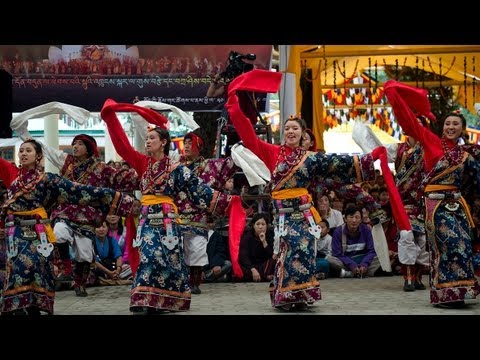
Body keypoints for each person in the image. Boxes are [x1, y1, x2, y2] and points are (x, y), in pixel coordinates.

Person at [224, 69, 411, 310]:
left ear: (302, 135)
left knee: (301, 254)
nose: (290, 131)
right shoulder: (272, 153)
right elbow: (248, 136)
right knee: (285, 254)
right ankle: (285, 296)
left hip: (302, 215)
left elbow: (339, 162)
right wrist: (234, 106)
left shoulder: (311, 158)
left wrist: (370, 158)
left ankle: (300, 296)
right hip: (282, 216)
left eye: (295, 129)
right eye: (287, 128)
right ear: (283, 133)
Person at [100, 99, 241, 313]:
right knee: (147, 256)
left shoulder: (177, 168)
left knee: (167, 259)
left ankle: (166, 300)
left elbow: (199, 189)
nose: (147, 142)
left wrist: (230, 203)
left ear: (163, 142)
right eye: (146, 138)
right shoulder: (142, 163)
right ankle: (145, 298)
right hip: (147, 220)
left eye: (152, 138)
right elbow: (122, 146)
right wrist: (111, 120)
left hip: (167, 221)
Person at [0, 139, 135, 315]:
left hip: (40, 232)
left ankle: (44, 300)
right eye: (22, 151)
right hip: (16, 233)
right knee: (18, 270)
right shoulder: (15, 180)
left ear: (38, 156)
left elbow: (79, 190)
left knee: (42, 269)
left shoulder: (48, 179)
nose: (24, 154)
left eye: (28, 151)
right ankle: (17, 305)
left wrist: (119, 199)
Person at [384, 79, 480, 308]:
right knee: (446, 244)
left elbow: (475, 183)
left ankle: (460, 289)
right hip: (436, 207)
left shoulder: (468, 154)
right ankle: (445, 294)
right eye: (447, 123)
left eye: (455, 123)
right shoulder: (431, 142)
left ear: (462, 128)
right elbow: (408, 122)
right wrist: (393, 94)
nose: (450, 127)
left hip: (459, 206)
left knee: (462, 244)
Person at [353, 120, 430, 291]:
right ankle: (408, 277)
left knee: (422, 240)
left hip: (423, 201)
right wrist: (363, 131)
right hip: (401, 202)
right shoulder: (398, 149)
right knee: (406, 237)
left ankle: (417, 277)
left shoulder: (428, 148)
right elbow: (377, 149)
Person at [178, 131, 238, 294]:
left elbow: (228, 164)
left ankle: (195, 282)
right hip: (177, 216)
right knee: (177, 250)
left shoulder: (208, 166)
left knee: (196, 250)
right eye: (186, 143)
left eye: (191, 143)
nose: (188, 146)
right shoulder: (176, 166)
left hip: (199, 217)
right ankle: (180, 281)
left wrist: (236, 144)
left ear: (199, 147)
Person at [328, 206, 381, 278]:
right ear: (345, 219)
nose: (354, 220)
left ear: (361, 220)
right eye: (351, 217)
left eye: (357, 217)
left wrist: (364, 264)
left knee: (381, 256)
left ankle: (352, 273)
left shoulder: (366, 230)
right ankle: (360, 272)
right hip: (346, 261)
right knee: (330, 259)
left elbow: (371, 251)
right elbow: (337, 254)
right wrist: (351, 265)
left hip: (363, 259)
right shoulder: (338, 231)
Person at [238, 213, 275, 282]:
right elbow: (243, 256)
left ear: (267, 226)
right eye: (257, 224)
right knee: (240, 270)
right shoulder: (247, 237)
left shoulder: (271, 236)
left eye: (263, 224)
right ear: (253, 226)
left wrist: (264, 242)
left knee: (274, 258)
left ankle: (263, 276)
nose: (260, 227)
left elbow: (271, 255)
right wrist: (253, 269)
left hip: (265, 266)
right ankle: (265, 276)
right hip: (251, 266)